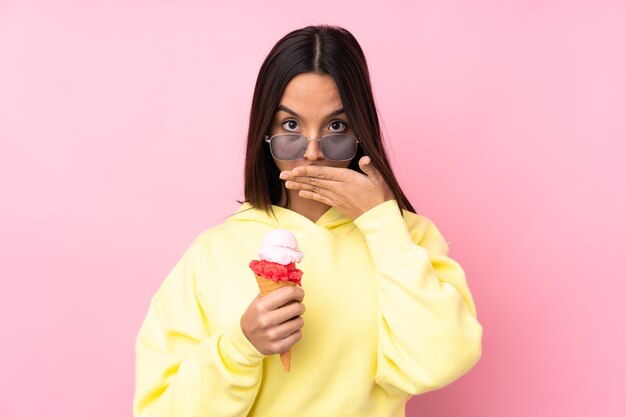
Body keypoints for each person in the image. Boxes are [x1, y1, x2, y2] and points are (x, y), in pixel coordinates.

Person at [133, 25, 483, 417]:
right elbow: (160, 410)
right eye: (291, 126)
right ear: (265, 131)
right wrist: (240, 345)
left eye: (336, 126)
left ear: (360, 131)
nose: (313, 153)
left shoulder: (408, 237)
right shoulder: (212, 252)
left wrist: (381, 224)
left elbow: (439, 363)